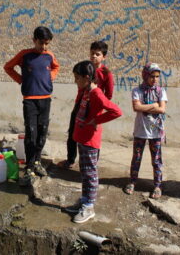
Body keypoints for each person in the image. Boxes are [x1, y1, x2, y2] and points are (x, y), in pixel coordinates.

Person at [65, 60, 122, 223]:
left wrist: (97, 120)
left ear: (87, 77)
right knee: (84, 172)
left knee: (90, 173)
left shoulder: (96, 93)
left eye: (77, 78)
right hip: (82, 138)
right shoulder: (86, 90)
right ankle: (84, 201)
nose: (75, 81)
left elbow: (116, 111)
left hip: (90, 140)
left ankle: (89, 207)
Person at [3, 26, 60, 186]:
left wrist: (50, 78)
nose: (43, 47)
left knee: (42, 131)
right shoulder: (24, 55)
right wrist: (21, 80)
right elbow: (8, 67)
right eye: (41, 43)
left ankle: (37, 162)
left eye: (47, 44)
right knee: (31, 132)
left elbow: (56, 67)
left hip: (45, 99)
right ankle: (29, 166)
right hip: (30, 100)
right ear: (34, 40)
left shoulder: (49, 56)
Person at [58, 40, 114, 169]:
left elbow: (109, 94)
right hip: (79, 104)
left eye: (97, 54)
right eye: (92, 53)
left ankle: (93, 162)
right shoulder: (85, 68)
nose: (94, 56)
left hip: (94, 108)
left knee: (93, 135)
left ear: (103, 57)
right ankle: (70, 159)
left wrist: (98, 105)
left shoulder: (106, 73)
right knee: (73, 131)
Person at [123, 62, 167, 199]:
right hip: (141, 130)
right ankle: (132, 181)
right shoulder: (137, 91)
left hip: (156, 131)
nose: (155, 79)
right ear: (145, 75)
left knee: (157, 160)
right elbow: (136, 108)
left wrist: (147, 106)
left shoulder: (161, 91)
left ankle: (157, 185)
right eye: (152, 76)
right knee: (136, 157)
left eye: (157, 76)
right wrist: (154, 105)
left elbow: (162, 109)